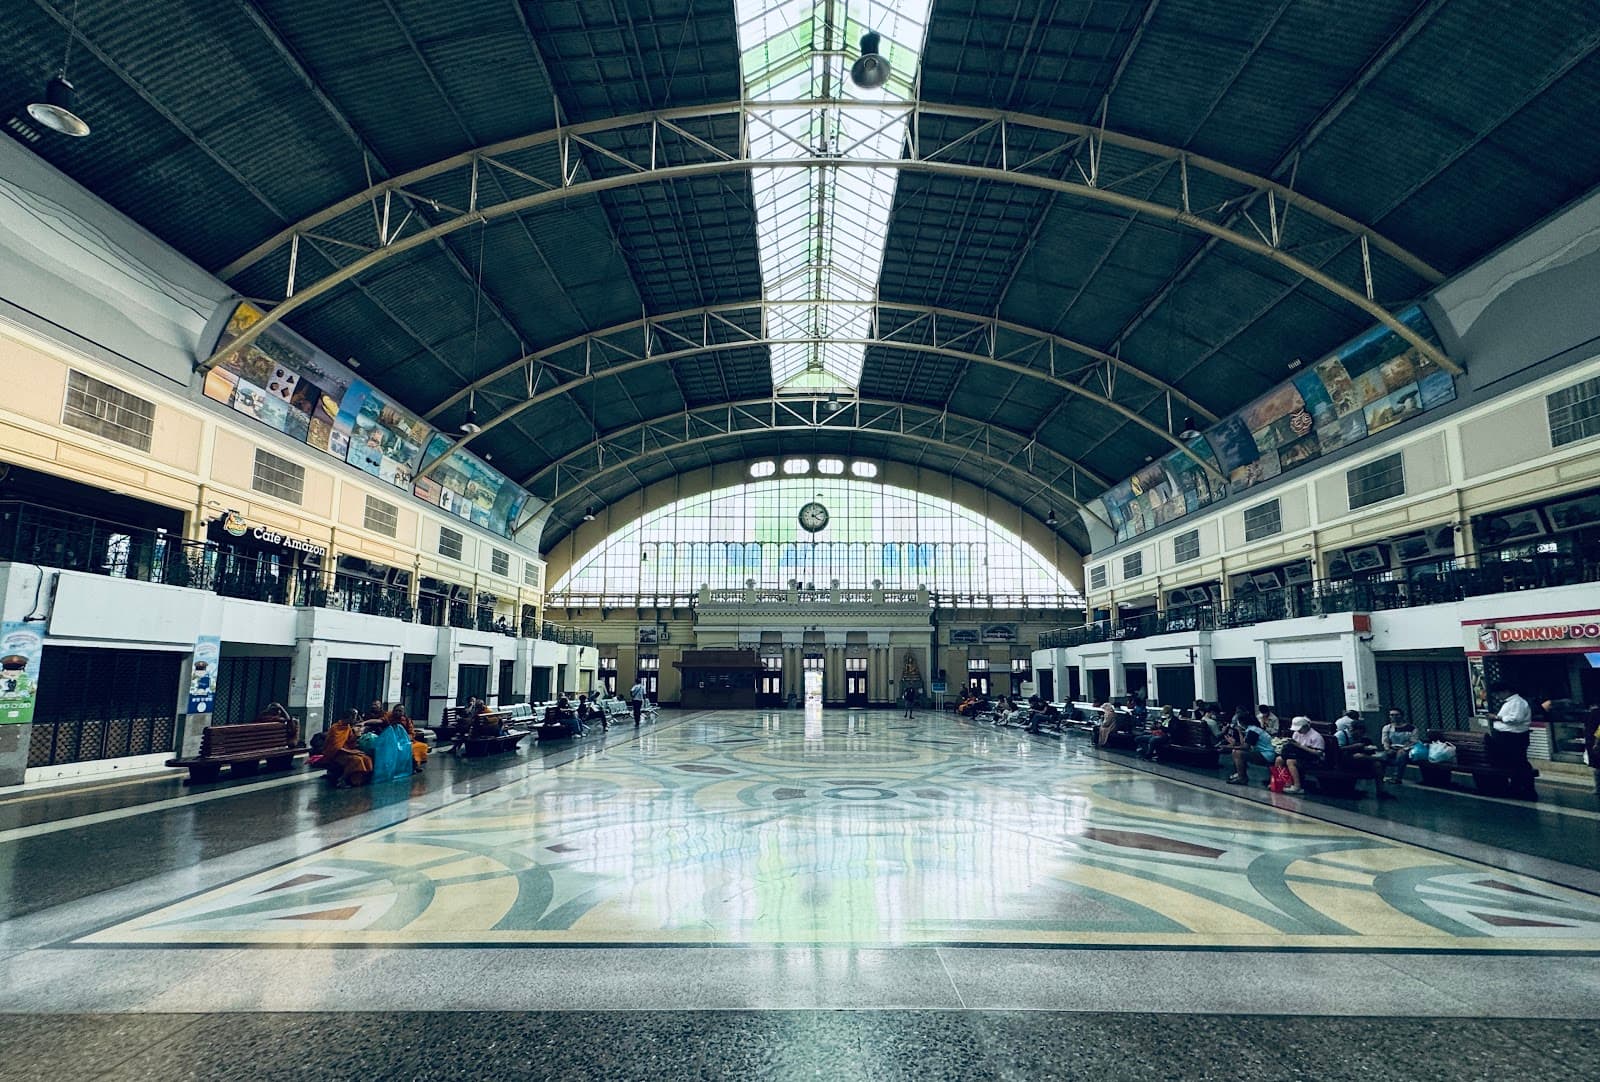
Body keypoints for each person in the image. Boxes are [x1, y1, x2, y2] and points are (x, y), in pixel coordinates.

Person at [1489, 683, 1537, 800]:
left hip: (1514, 737)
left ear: (1506, 691)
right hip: (1506, 736)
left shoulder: (1517, 702)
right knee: (1510, 762)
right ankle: (1515, 786)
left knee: (1518, 762)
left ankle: (1526, 789)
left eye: (1498, 693)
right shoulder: (1510, 703)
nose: (1497, 696)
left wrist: (1497, 717)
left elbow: (1515, 719)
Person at [1337, 710, 1392, 799]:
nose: (1360, 735)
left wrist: (1366, 748)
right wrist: (1354, 746)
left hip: (1358, 760)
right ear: (1352, 730)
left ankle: (1380, 790)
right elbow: (1338, 749)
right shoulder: (1341, 735)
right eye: (1359, 733)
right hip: (1343, 760)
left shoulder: (1361, 737)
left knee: (1377, 765)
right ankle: (1380, 758)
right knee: (1359, 756)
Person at [1275, 716, 1325, 795]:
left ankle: (1297, 786)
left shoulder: (1316, 736)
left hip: (1312, 759)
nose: (1298, 731)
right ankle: (1283, 781)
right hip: (1299, 755)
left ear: (1305, 727)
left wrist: (1300, 746)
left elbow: (1319, 753)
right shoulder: (1296, 733)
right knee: (1279, 759)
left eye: (1300, 729)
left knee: (1290, 762)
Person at [323, 709, 373, 787]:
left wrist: (356, 735)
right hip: (336, 753)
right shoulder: (335, 728)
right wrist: (352, 752)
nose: (356, 719)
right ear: (350, 717)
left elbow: (350, 741)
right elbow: (335, 747)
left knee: (366, 758)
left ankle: (358, 780)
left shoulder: (348, 727)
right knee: (356, 760)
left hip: (345, 751)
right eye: (355, 717)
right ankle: (342, 780)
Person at [1229, 717, 1276, 785]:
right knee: (1235, 751)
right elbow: (1243, 743)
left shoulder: (1252, 731)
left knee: (1238, 753)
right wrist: (1239, 731)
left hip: (1267, 755)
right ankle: (1240, 774)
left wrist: (1228, 747)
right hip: (1263, 753)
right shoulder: (1252, 729)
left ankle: (1242, 778)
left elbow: (1245, 747)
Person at [386, 703, 429, 771]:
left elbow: (411, 733)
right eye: (396, 710)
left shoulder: (407, 720)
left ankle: (415, 766)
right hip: (391, 740)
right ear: (393, 711)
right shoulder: (388, 718)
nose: (397, 712)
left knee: (421, 746)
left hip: (404, 740)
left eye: (400, 711)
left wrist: (407, 738)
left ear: (403, 712)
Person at [1380, 707, 1417, 784]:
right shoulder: (1387, 728)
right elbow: (1385, 740)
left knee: (1401, 755)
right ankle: (1380, 776)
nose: (1394, 717)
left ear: (1402, 716)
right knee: (1383, 756)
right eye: (1392, 715)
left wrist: (1405, 748)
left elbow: (1413, 741)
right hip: (1392, 748)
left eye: (1397, 715)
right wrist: (1387, 749)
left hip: (1406, 749)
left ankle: (1397, 778)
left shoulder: (1411, 728)